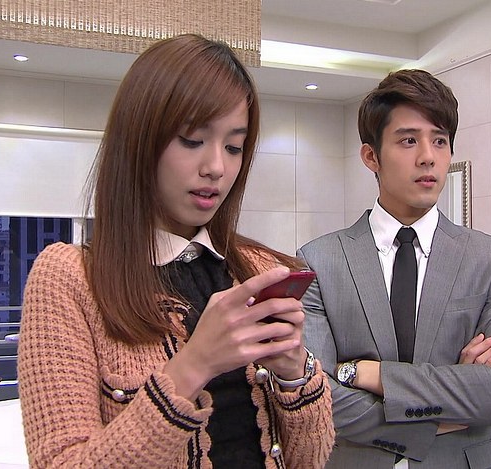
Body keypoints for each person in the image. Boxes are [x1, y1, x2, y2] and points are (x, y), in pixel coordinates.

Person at [17, 34, 335, 469]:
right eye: (191, 139)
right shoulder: (70, 278)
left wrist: (294, 374)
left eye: (234, 147)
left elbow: (309, 460)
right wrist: (193, 366)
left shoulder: (258, 268)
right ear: (139, 141)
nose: (216, 167)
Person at [297, 69, 491, 468]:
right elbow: (317, 396)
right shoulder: (319, 260)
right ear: (371, 156)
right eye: (408, 140)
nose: (428, 156)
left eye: (439, 140)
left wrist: (368, 374)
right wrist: (443, 409)